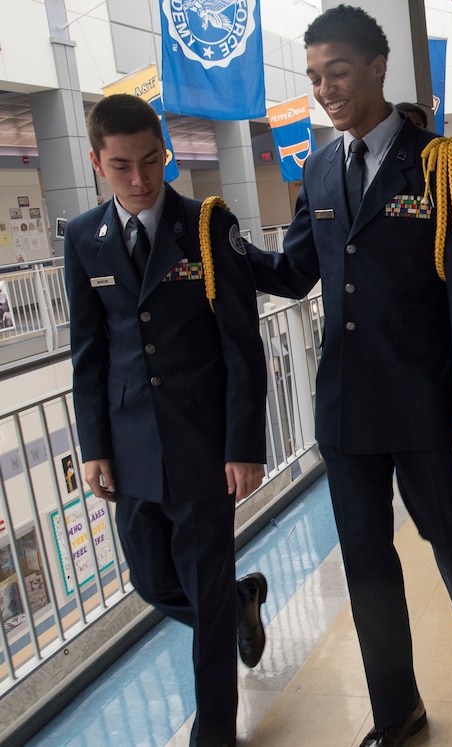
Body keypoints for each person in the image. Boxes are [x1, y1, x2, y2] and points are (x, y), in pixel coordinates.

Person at [244, 7, 452, 746]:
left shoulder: (446, 164)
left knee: (445, 531)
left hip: (427, 403)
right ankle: (399, 709)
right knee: (366, 561)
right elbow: (296, 271)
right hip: (347, 406)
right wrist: (221, 246)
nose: (324, 88)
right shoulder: (321, 166)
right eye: (313, 77)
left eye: (336, 72)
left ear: (376, 68)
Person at [65, 94, 270, 747]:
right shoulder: (82, 238)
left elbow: (243, 345)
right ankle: (239, 605)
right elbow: (87, 352)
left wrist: (244, 445)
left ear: (165, 151)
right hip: (128, 451)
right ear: (98, 163)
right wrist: (94, 445)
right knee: (151, 580)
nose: (140, 179)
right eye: (122, 165)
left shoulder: (208, 226)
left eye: (151, 161)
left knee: (204, 596)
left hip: (204, 448)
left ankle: (215, 729)